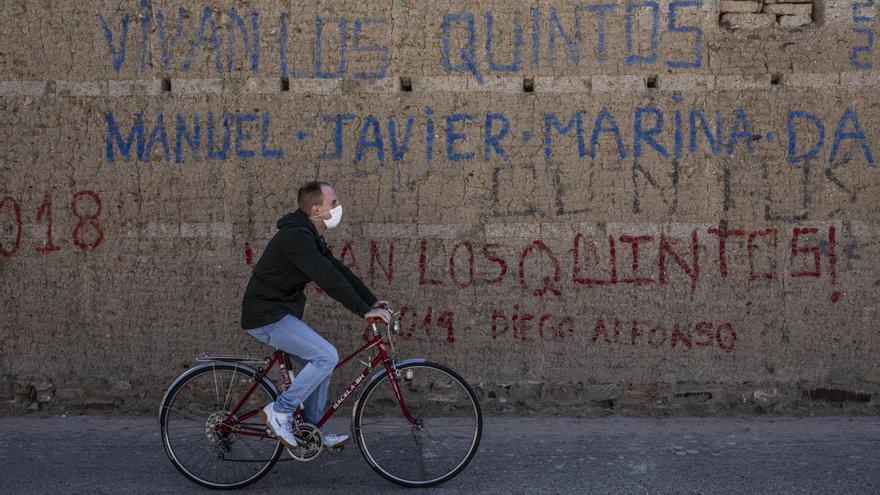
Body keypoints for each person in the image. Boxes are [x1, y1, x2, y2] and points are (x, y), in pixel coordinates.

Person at [240, 181, 391, 449]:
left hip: (279, 313)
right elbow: (328, 279)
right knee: (325, 356)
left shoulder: (308, 235)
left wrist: (370, 300)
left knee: (322, 362)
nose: (338, 207)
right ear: (316, 208)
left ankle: (311, 429)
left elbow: (337, 270)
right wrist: (364, 310)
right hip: (266, 316)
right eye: (333, 203)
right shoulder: (296, 237)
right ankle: (280, 411)